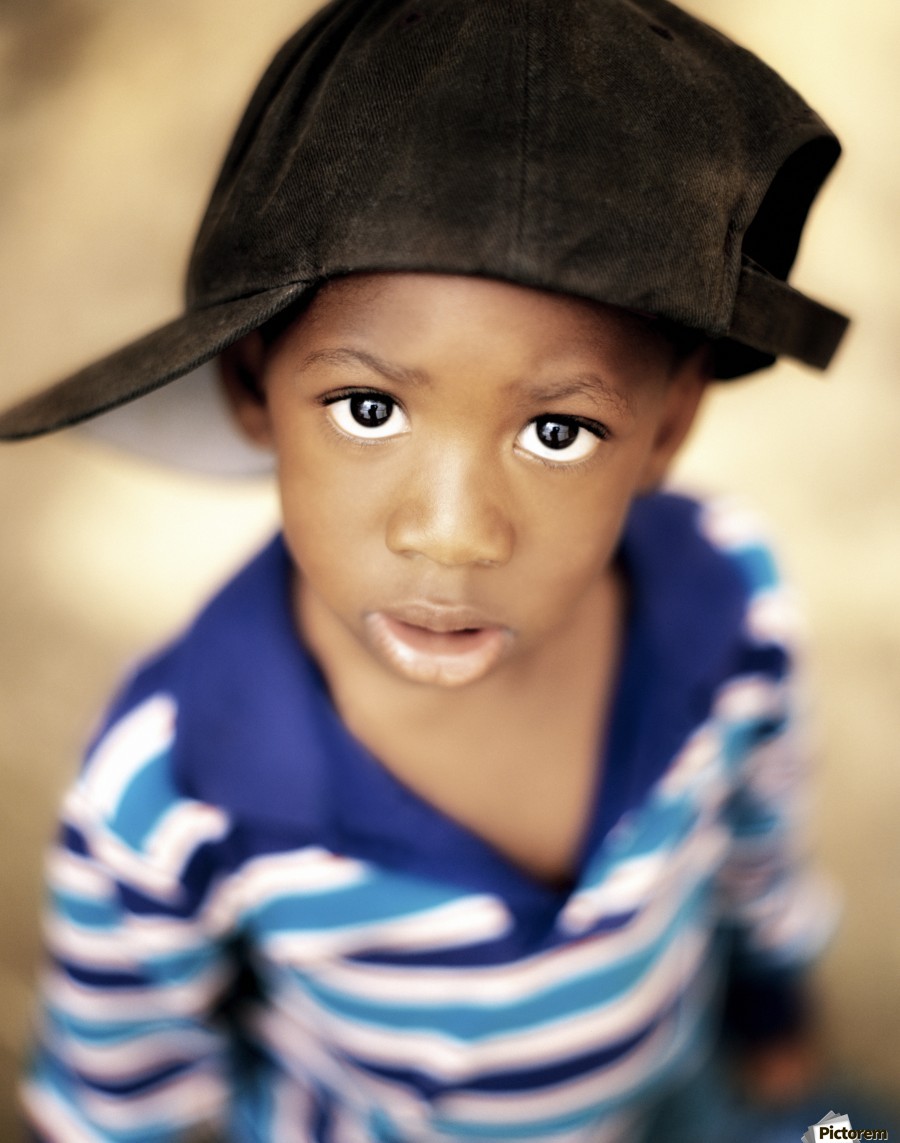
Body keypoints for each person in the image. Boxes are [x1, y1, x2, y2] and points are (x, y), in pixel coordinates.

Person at [0, 0, 852, 1139]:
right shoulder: (169, 792)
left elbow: (758, 848)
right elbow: (120, 1100)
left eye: (558, 431)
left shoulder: (727, 599)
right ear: (254, 390)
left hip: (676, 1092)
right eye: (367, 407)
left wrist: (776, 1018)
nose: (452, 535)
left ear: (670, 423)